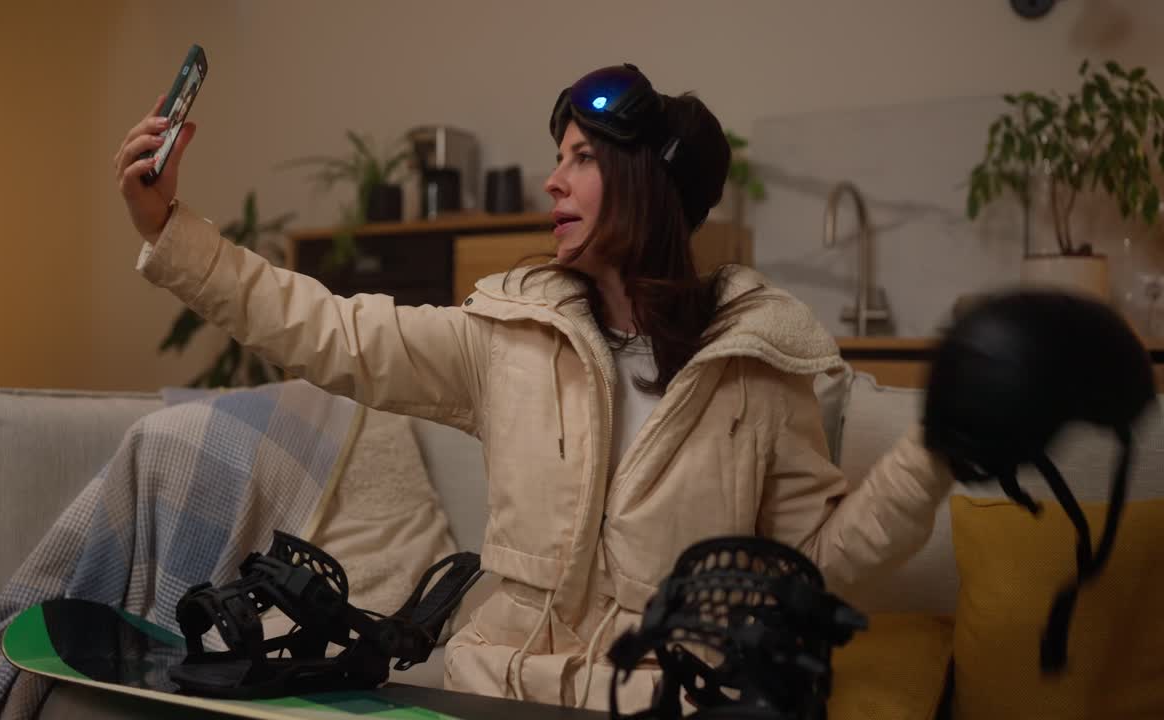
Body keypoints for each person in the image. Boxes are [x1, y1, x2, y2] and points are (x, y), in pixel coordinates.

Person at [113, 63, 953, 712]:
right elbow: (338, 334)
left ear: (648, 187)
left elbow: (816, 572)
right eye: (558, 158)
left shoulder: (762, 370)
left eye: (581, 160)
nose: (552, 181)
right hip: (497, 697)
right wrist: (173, 236)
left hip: (664, 705)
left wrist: (935, 453)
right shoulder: (506, 341)